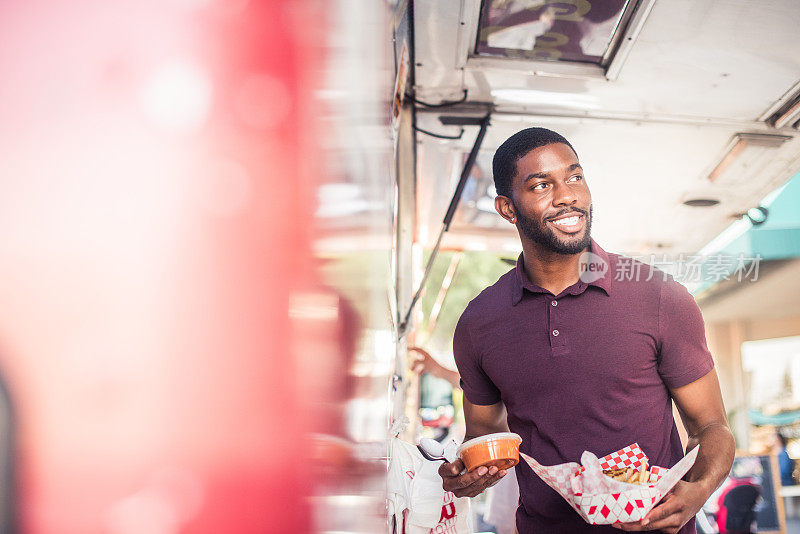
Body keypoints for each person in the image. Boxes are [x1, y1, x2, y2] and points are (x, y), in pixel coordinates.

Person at [436, 128, 735, 533]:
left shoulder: (659, 297)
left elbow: (711, 427)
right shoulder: (479, 323)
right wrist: (468, 475)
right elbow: (485, 433)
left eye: (574, 177)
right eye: (542, 184)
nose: (567, 196)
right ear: (507, 208)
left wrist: (697, 492)